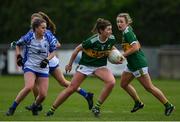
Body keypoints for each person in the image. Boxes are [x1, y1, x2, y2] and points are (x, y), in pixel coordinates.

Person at [11, 12, 94, 111]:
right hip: (41, 61)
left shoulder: (45, 32)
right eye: (32, 20)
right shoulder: (31, 32)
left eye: (35, 20)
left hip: (48, 61)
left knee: (56, 82)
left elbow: (57, 44)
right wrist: (16, 45)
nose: (33, 22)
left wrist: (48, 48)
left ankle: (36, 105)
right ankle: (85, 94)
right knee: (52, 83)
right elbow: (21, 43)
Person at [46, 18, 118, 117]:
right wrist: (69, 64)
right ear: (101, 30)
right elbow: (76, 50)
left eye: (111, 29)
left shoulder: (112, 39)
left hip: (99, 66)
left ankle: (96, 107)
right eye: (108, 29)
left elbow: (111, 47)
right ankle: (52, 110)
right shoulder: (91, 41)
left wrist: (118, 57)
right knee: (71, 88)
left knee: (111, 82)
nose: (111, 31)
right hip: (86, 66)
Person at [116, 13, 175, 116]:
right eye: (118, 21)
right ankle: (138, 103)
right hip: (132, 64)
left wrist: (123, 55)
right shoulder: (127, 31)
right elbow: (138, 44)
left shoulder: (128, 32)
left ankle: (168, 105)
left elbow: (136, 48)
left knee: (149, 87)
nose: (119, 24)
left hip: (138, 64)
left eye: (121, 21)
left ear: (127, 22)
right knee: (123, 84)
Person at [6, 18, 57, 116]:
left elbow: (53, 51)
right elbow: (17, 44)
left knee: (42, 95)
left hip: (43, 68)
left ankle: (35, 106)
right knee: (29, 86)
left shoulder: (48, 37)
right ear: (36, 28)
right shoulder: (29, 36)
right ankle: (12, 108)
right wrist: (18, 56)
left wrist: (47, 59)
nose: (45, 30)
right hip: (30, 66)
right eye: (42, 28)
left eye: (45, 28)